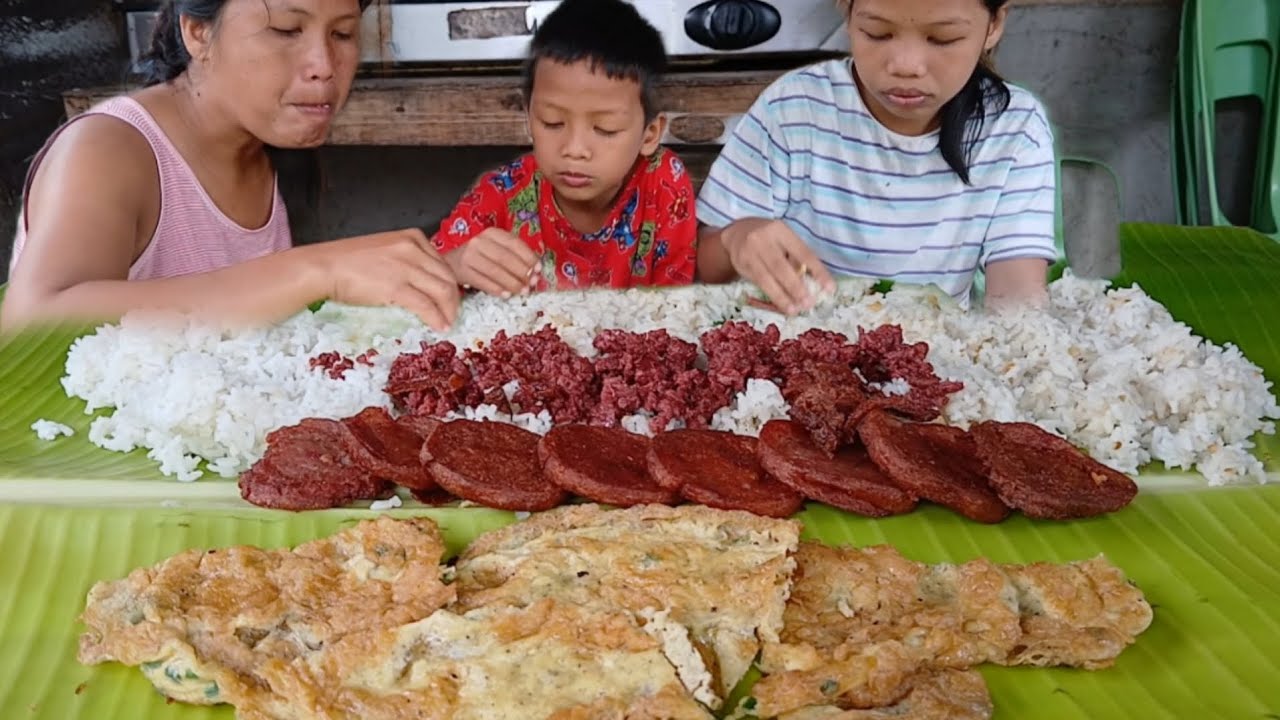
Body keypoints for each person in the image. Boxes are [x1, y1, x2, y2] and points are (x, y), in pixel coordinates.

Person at [2, 0, 459, 332]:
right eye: (285, 30)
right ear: (198, 33)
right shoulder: (107, 148)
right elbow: (36, 316)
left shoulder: (261, 145)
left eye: (342, 34)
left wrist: (440, 271)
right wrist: (318, 271)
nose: (324, 65)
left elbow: (262, 308)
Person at [696, 0, 1058, 313]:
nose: (906, 65)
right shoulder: (794, 108)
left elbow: (1017, 301)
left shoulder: (1013, 127)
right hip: (800, 356)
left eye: (943, 38)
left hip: (939, 362)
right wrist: (736, 238)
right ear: (848, 12)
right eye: (877, 33)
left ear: (994, 25)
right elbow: (704, 265)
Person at [432, 0, 697, 296]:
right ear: (528, 118)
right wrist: (455, 266)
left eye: (605, 129)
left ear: (649, 134)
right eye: (553, 122)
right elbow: (420, 279)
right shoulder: (500, 195)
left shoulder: (663, 184)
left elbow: (676, 307)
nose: (575, 149)